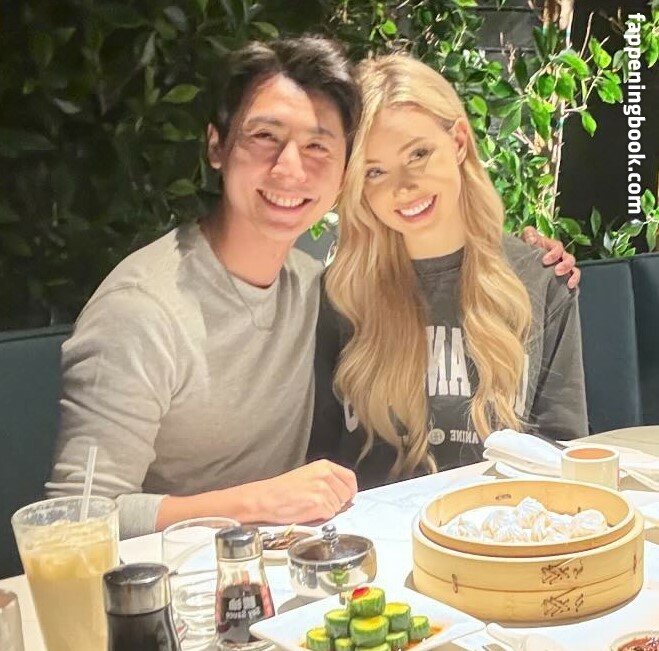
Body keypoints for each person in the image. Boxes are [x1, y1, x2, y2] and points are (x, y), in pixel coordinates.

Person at [47, 37, 579, 538]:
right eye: (265, 137)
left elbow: (568, 450)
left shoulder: (312, 287)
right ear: (216, 146)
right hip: (199, 577)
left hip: (368, 554)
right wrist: (259, 501)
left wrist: (528, 259)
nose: (290, 168)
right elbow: (72, 524)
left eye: (317, 146)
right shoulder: (146, 309)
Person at [308, 54, 588, 490]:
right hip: (372, 529)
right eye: (375, 171)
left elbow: (563, 452)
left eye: (418, 154)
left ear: (458, 141)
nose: (403, 187)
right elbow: (316, 463)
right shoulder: (339, 293)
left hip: (500, 524)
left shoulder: (541, 279)